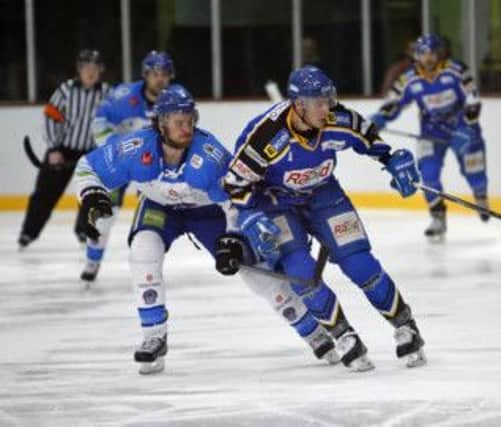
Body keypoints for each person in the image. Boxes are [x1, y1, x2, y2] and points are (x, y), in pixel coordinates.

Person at [74, 85, 340, 374]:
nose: (186, 127)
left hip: (207, 213)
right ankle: (154, 336)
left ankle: (311, 330)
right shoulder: (135, 149)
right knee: (142, 251)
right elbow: (87, 166)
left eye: (190, 120)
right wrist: (91, 195)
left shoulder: (210, 157)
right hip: (158, 208)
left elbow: (236, 199)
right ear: (161, 123)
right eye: (179, 122)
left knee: (252, 270)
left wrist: (233, 237)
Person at [222, 66, 426, 372]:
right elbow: (236, 184)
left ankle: (405, 325)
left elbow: (368, 136)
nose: (326, 107)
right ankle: (342, 334)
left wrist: (391, 158)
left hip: (323, 194)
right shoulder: (266, 136)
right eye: (318, 102)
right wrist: (250, 216)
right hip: (277, 202)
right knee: (301, 270)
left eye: (327, 99)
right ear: (298, 104)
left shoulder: (337, 120)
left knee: (359, 262)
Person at [371, 34, 489, 242]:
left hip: (461, 126)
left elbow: (473, 98)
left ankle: (480, 196)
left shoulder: (456, 70)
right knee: (428, 173)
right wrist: (379, 120)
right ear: (417, 56)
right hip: (431, 132)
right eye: (423, 54)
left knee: (474, 168)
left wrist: (469, 128)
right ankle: (438, 217)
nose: (428, 58)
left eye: (432, 53)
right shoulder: (408, 79)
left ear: (440, 54)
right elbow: (393, 102)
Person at [81, 51, 175, 283]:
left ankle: (149, 265)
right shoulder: (123, 96)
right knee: (104, 216)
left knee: (154, 217)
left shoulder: (176, 99)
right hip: (121, 163)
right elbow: (100, 121)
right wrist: (116, 150)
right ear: (145, 75)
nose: (160, 79)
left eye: (165, 74)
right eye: (155, 74)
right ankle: (93, 260)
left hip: (154, 166)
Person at [18, 49, 109, 249]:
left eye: (95, 68)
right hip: (63, 150)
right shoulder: (65, 90)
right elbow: (51, 118)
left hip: (91, 154)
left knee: (91, 195)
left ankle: (84, 231)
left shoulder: (107, 93)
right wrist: (53, 149)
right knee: (44, 194)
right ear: (79, 69)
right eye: (86, 68)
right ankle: (28, 233)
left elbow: (112, 123)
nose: (91, 72)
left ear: (100, 70)